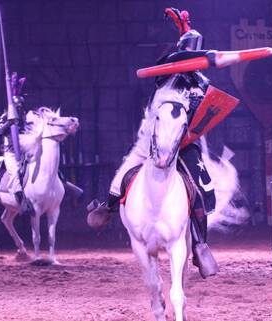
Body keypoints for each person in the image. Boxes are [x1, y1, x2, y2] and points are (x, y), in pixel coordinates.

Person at [87, 8, 219, 278]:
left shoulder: (201, 84)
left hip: (185, 143)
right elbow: (175, 62)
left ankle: (201, 244)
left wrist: (204, 66)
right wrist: (186, 46)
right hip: (151, 142)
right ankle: (109, 206)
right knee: (123, 174)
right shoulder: (164, 76)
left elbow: (206, 110)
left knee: (203, 186)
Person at [0, 73, 35, 215]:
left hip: (25, 149)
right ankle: (23, 204)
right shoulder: (5, 116)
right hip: (11, 152)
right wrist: (9, 123)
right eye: (17, 106)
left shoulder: (25, 117)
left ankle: (64, 183)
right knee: (14, 175)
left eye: (21, 106)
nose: (19, 108)